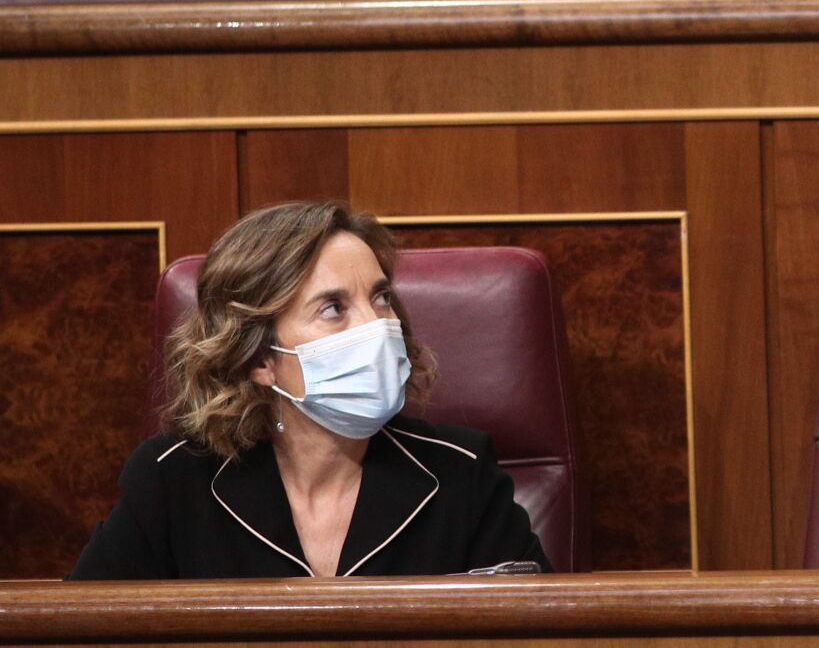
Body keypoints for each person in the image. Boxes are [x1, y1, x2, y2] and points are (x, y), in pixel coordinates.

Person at [70, 201, 550, 578]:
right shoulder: (173, 481)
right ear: (260, 359)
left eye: (381, 297)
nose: (378, 326)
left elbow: (537, 633)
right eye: (333, 308)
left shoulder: (462, 474)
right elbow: (81, 631)